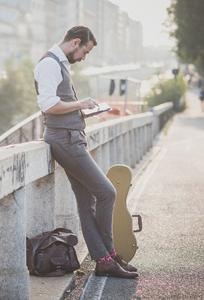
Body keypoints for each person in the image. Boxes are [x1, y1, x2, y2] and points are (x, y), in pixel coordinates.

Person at [34, 25, 138, 278]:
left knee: (86, 201)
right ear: (75, 42)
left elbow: (60, 103)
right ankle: (108, 254)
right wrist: (80, 104)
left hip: (71, 137)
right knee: (106, 192)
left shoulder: (60, 63)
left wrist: (82, 110)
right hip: (65, 140)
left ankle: (104, 260)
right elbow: (47, 104)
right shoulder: (49, 64)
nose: (84, 57)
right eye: (85, 52)